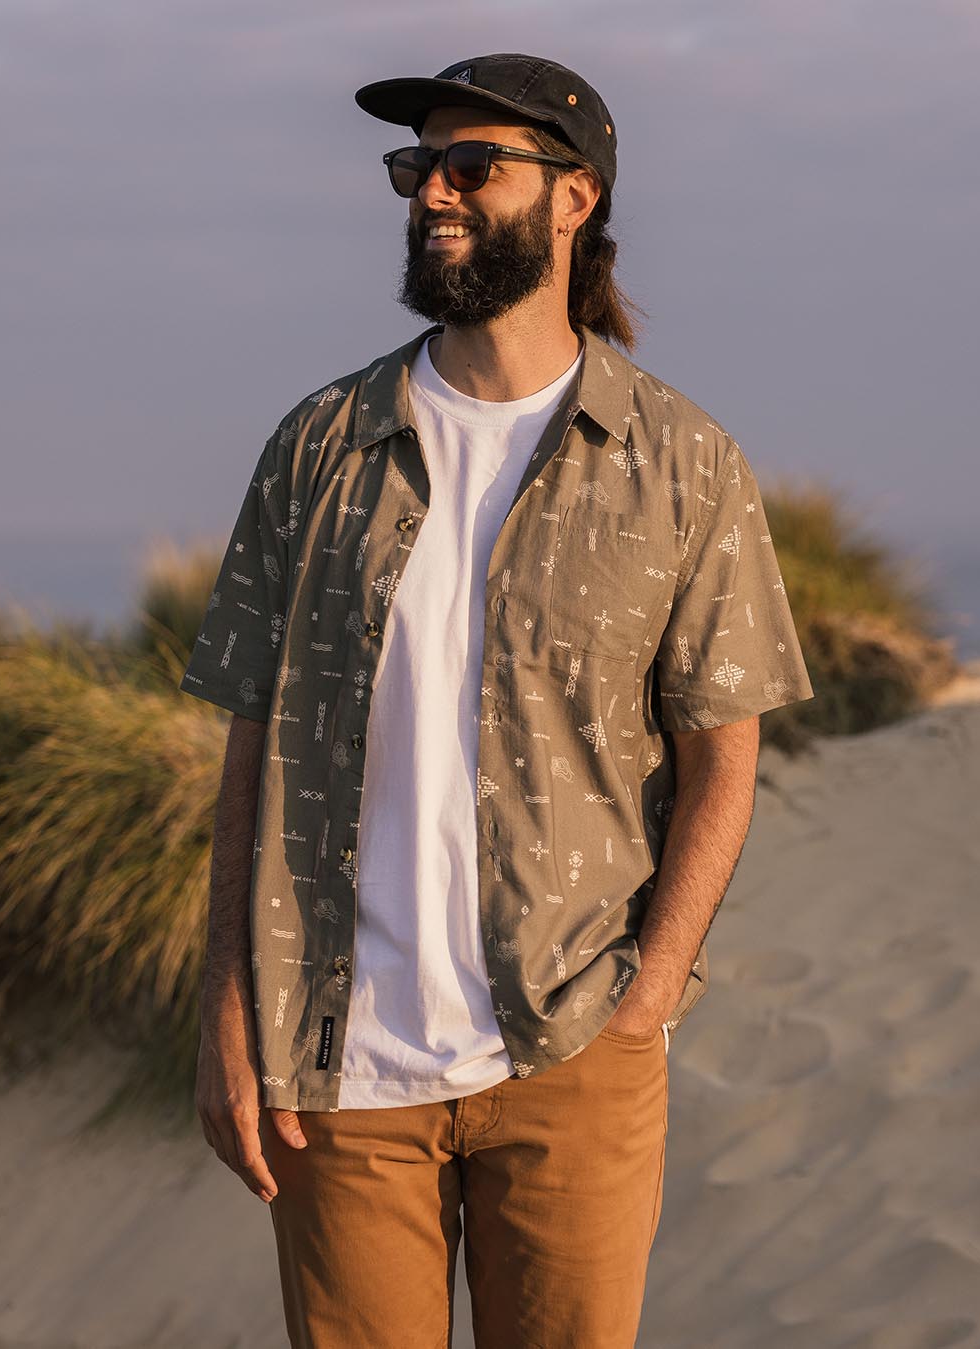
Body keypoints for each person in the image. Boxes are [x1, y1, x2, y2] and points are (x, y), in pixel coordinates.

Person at [181, 52, 815, 1349]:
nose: (435, 194)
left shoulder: (682, 463)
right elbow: (251, 739)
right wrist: (228, 1006)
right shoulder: (318, 446)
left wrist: (647, 999)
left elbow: (725, 759)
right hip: (341, 1071)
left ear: (575, 198)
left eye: (473, 167)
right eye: (419, 168)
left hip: (575, 1050)